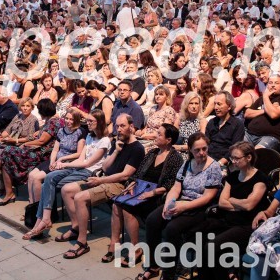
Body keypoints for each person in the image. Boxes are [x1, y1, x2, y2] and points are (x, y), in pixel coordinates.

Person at [138, 132, 223, 280]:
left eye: (204, 149)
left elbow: (208, 197)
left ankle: (168, 275)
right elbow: (177, 187)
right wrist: (169, 203)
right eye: (197, 150)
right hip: (180, 202)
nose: (201, 153)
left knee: (172, 229)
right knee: (152, 220)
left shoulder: (214, 167)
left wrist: (183, 206)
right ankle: (153, 265)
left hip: (198, 208)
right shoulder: (187, 164)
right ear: (190, 150)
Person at [58, 113, 145, 259]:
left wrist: (100, 181)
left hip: (118, 185)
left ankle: (82, 242)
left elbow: (125, 175)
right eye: (117, 126)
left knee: (80, 198)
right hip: (104, 178)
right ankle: (77, 227)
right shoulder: (118, 143)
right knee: (66, 189)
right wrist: (116, 151)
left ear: (131, 127)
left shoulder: (137, 148)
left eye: (122, 126)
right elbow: (104, 167)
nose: (119, 129)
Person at [103, 123, 184, 265]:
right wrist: (132, 184)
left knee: (128, 209)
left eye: (159, 134)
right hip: (141, 189)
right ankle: (114, 243)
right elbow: (138, 173)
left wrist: (151, 193)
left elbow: (171, 184)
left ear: (169, 140)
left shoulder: (175, 158)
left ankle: (136, 249)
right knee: (117, 204)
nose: (155, 136)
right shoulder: (152, 153)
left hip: (157, 195)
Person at [196, 142, 269, 280]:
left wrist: (233, 200)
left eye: (237, 158)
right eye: (232, 158)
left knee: (212, 246)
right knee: (199, 234)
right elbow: (222, 202)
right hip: (228, 219)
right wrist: (239, 203)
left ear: (248, 157)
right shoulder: (233, 176)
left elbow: (250, 206)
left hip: (247, 225)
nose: (233, 162)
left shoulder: (260, 179)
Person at [23, 110, 110, 240]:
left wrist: (64, 164)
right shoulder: (90, 137)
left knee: (50, 183)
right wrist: (60, 163)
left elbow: (88, 164)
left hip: (89, 172)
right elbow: (81, 159)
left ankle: (42, 221)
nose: (88, 123)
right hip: (77, 167)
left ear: (100, 122)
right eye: (88, 120)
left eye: (91, 121)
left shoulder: (104, 141)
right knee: (49, 177)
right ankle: (45, 219)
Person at [244, 73, 280, 152]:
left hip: (271, 137)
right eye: (270, 83)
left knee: (258, 152)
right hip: (250, 134)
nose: (273, 85)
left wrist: (265, 97)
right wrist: (265, 110)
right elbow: (247, 113)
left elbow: (273, 114)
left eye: (276, 83)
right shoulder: (261, 99)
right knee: (237, 149)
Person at [203, 91, 245, 165]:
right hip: (207, 159)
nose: (215, 107)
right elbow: (205, 143)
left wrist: (219, 163)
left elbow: (235, 148)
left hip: (225, 163)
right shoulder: (212, 122)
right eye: (215, 104)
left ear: (229, 106)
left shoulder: (237, 124)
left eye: (219, 104)